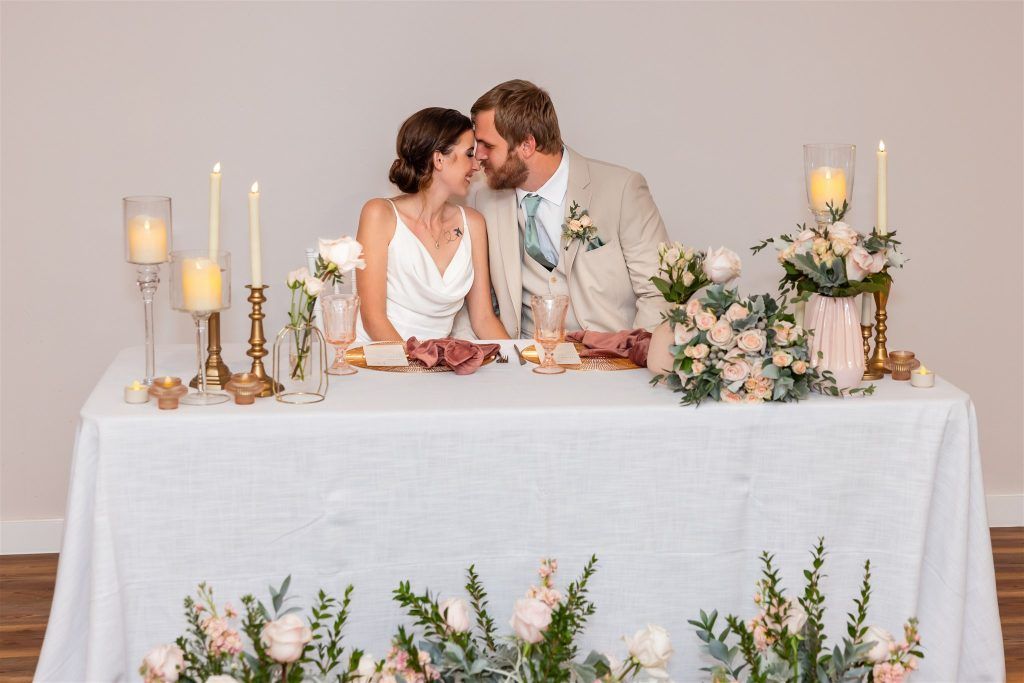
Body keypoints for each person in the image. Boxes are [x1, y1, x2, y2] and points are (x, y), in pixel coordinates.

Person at [462, 79, 671, 339]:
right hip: (527, 363)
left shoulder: (621, 189)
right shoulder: (486, 201)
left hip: (609, 360)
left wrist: (634, 356)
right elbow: (482, 304)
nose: (477, 155)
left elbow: (659, 291)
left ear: (527, 145)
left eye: (487, 145)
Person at [355, 107, 509, 342]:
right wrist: (416, 369)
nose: (476, 165)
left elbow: (484, 319)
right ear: (439, 159)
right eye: (469, 153)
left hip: (437, 365)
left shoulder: (473, 224)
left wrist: (520, 363)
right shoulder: (379, 214)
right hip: (381, 355)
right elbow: (373, 318)